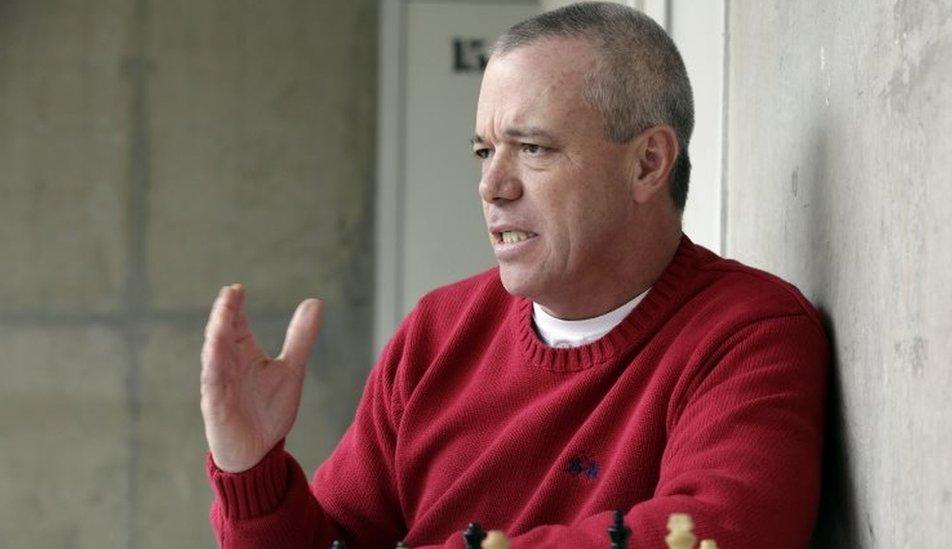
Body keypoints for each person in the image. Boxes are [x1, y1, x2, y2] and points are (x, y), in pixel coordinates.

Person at [200, 3, 828, 547]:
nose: (491, 186)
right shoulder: (438, 330)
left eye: (533, 148)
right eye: (484, 151)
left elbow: (721, 533)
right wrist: (251, 470)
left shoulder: (750, 330)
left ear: (648, 163)